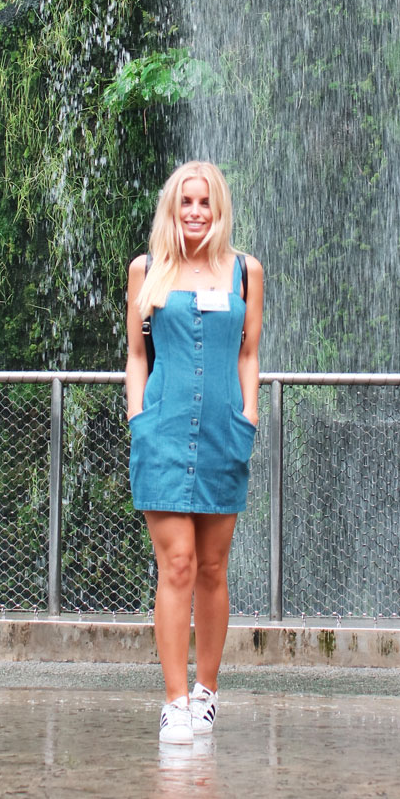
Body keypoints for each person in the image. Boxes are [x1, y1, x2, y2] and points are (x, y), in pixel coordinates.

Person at [125, 160, 264, 745]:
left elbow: (249, 354)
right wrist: (137, 419)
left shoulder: (246, 272)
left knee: (212, 567)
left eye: (205, 201)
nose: (196, 211)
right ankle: (174, 700)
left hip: (221, 434)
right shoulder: (148, 270)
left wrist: (247, 418)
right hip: (162, 430)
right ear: (172, 207)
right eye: (186, 201)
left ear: (219, 207)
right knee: (176, 562)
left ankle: (206, 691)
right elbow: (136, 354)